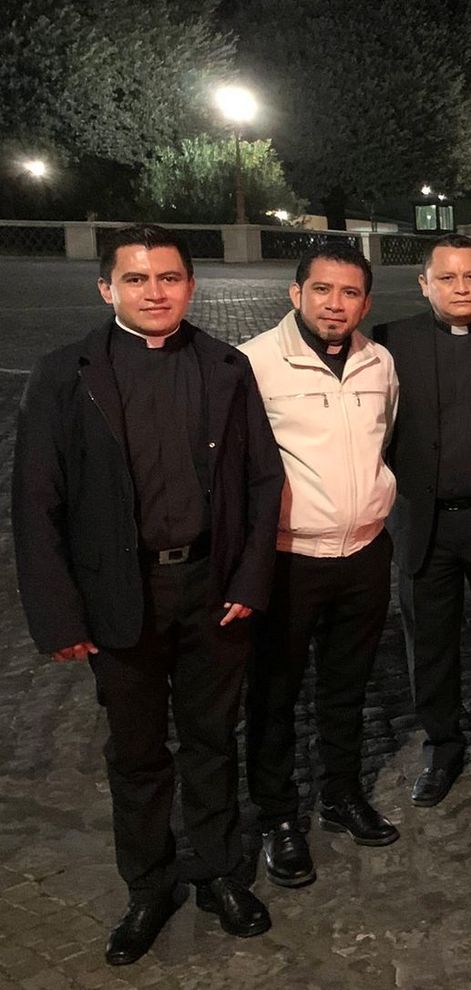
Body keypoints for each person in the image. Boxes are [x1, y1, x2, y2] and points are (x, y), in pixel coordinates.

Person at [12, 224, 281, 964]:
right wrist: (58, 614)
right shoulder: (65, 374)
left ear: (191, 286)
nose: (155, 292)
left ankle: (220, 870)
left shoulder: (226, 367)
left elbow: (264, 479)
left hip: (211, 588)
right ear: (108, 289)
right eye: (137, 280)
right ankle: (149, 885)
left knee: (209, 741)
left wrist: (250, 578)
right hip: (119, 597)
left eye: (168, 278)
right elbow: (35, 504)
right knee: (134, 752)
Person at [240, 242, 401, 889]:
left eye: (351, 293)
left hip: (363, 552)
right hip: (288, 558)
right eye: (323, 290)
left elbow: (384, 438)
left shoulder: (379, 361)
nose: (336, 305)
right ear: (296, 292)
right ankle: (278, 817)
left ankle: (339, 792)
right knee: (275, 694)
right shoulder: (253, 362)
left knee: (347, 688)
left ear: (367, 301)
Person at [369, 235, 471, 808]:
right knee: (430, 642)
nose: (461, 289)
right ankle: (441, 743)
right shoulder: (388, 342)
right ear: (424, 284)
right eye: (448, 279)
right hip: (422, 522)